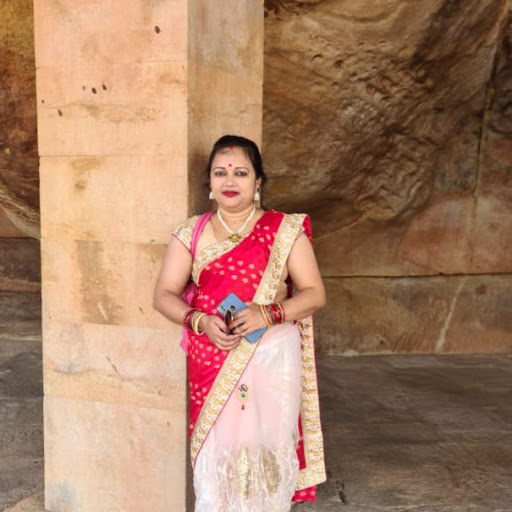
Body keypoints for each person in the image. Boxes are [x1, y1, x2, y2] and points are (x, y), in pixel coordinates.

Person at [153, 135, 326, 511]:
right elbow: (163, 294)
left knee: (264, 448)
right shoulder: (191, 233)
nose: (229, 181)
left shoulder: (284, 230)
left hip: (269, 357)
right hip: (213, 357)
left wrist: (268, 313)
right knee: (221, 452)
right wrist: (199, 320)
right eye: (220, 173)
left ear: (258, 181)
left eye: (241, 173)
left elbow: (314, 294)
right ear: (210, 183)